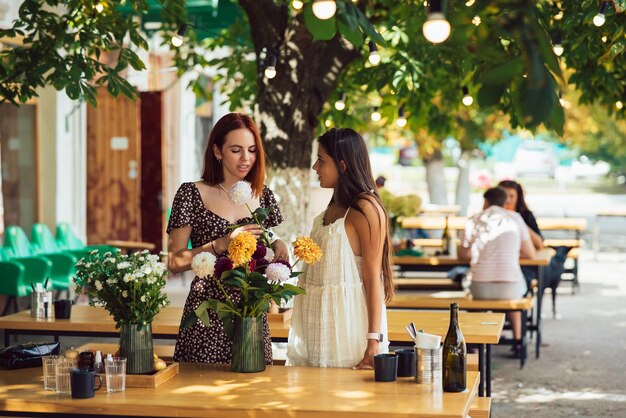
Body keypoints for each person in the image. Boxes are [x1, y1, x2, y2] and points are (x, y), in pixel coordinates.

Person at [167, 112, 289, 364]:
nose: (246, 158)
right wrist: (218, 245)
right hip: (207, 312)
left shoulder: (263, 195)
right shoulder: (191, 193)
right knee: (199, 394)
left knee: (254, 393)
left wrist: (278, 242)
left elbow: (268, 239)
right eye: (236, 150)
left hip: (252, 313)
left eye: (252, 150)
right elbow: (175, 263)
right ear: (217, 151)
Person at [286, 128, 394, 369]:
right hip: (319, 330)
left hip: (348, 332)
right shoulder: (334, 205)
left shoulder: (366, 209)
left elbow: (373, 278)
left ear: (343, 166)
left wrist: (373, 341)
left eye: (321, 160)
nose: (315, 167)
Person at [458, 187, 535, 356]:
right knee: (516, 294)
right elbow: (530, 253)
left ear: (485, 201)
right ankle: (518, 341)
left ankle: (474, 342)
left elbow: (462, 254)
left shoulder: (473, 220)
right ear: (505, 202)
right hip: (509, 289)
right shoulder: (515, 218)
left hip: (479, 288)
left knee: (472, 287)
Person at [498, 179, 571, 316]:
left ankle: (517, 324)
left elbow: (539, 243)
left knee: (516, 282)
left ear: (518, 198)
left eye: (512, 196)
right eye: (504, 195)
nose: (507, 200)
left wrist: (517, 221)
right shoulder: (491, 216)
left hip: (523, 265)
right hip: (499, 265)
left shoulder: (526, 216)